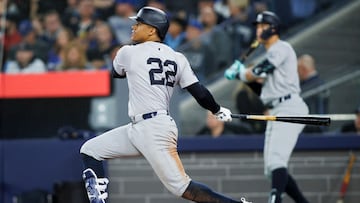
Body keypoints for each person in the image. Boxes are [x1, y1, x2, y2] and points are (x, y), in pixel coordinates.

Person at [79, 6, 251, 203]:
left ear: (152, 30)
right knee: (90, 150)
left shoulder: (128, 52)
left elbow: (116, 72)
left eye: (139, 23)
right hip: (140, 127)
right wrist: (217, 110)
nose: (133, 27)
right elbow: (199, 92)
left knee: (183, 188)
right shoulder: (178, 57)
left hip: (154, 128)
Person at [224, 11, 310, 203]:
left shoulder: (282, 48)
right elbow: (263, 92)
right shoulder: (271, 52)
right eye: (257, 27)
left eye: (263, 27)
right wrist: (240, 76)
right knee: (271, 170)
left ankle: (274, 200)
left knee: (277, 161)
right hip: (277, 107)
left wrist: (242, 73)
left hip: (290, 107)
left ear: (273, 28)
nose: (258, 30)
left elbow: (261, 70)